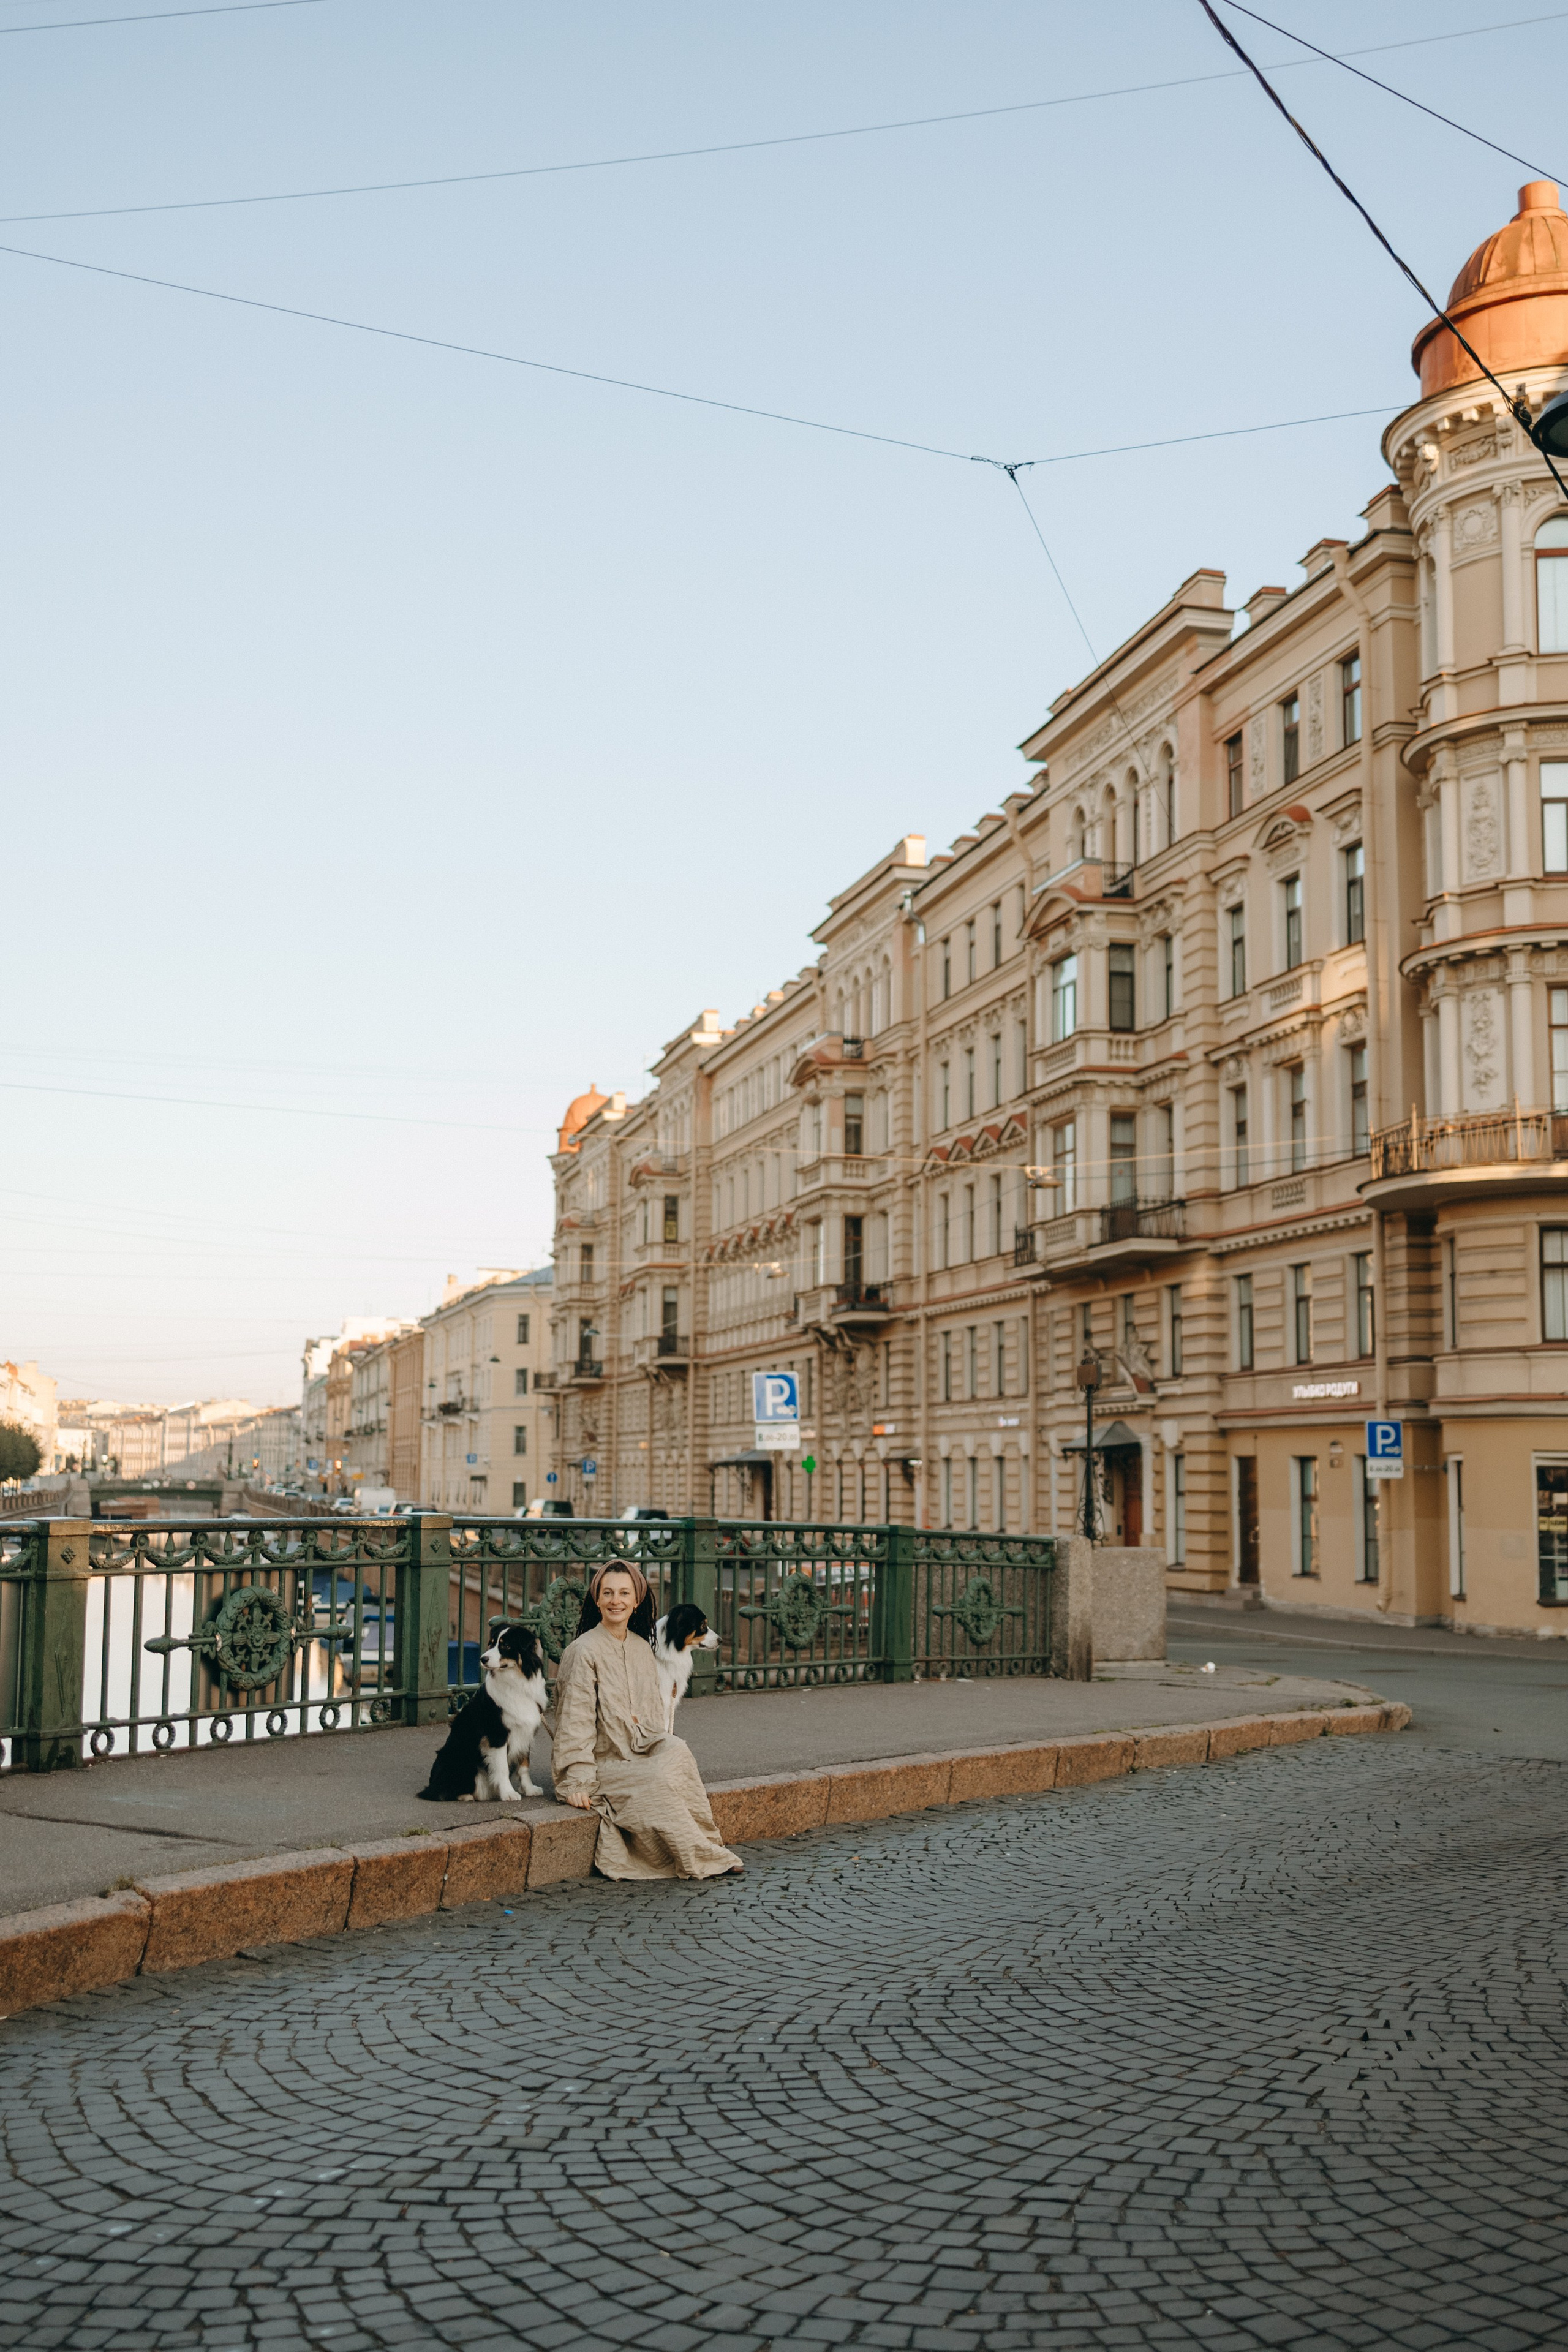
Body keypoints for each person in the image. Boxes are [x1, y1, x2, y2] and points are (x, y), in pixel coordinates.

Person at [550, 1561, 742, 1880]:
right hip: (603, 1761)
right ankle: (699, 1856)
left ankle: (706, 1844)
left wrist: (657, 1746)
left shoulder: (641, 1648)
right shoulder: (582, 1651)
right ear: (597, 1599)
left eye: (625, 1593)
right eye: (608, 1593)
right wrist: (577, 1780)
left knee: (677, 1752)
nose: (616, 1601)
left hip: (639, 1749)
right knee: (656, 1778)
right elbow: (574, 1720)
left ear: (636, 1600)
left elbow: (652, 1716)